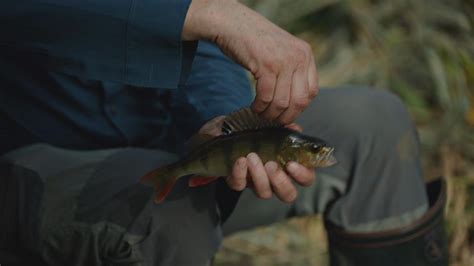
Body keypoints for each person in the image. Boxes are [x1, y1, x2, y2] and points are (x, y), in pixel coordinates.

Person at [0, 0, 447, 265]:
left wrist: (224, 124)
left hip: (168, 144)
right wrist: (196, 13)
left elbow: (208, 52)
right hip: (33, 161)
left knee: (374, 122)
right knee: (173, 216)